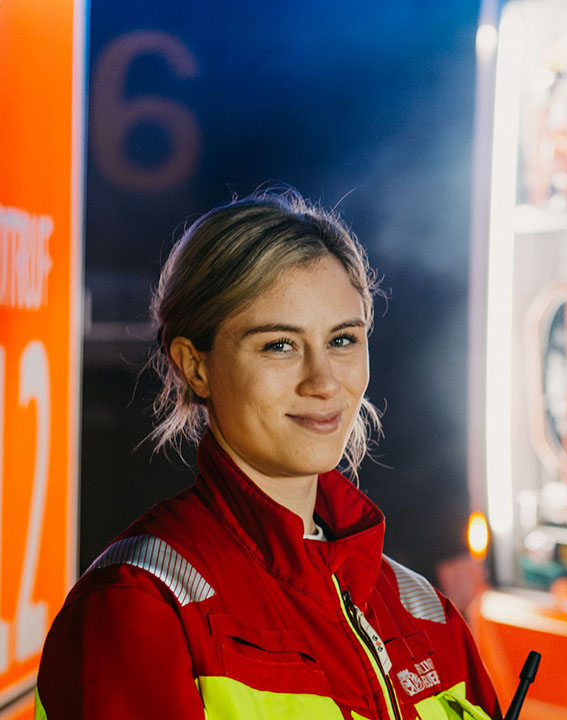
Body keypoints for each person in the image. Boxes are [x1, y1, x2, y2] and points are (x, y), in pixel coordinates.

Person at [36, 189, 500, 720]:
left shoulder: (421, 609)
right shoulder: (140, 606)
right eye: (279, 345)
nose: (324, 381)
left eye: (343, 340)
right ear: (195, 366)